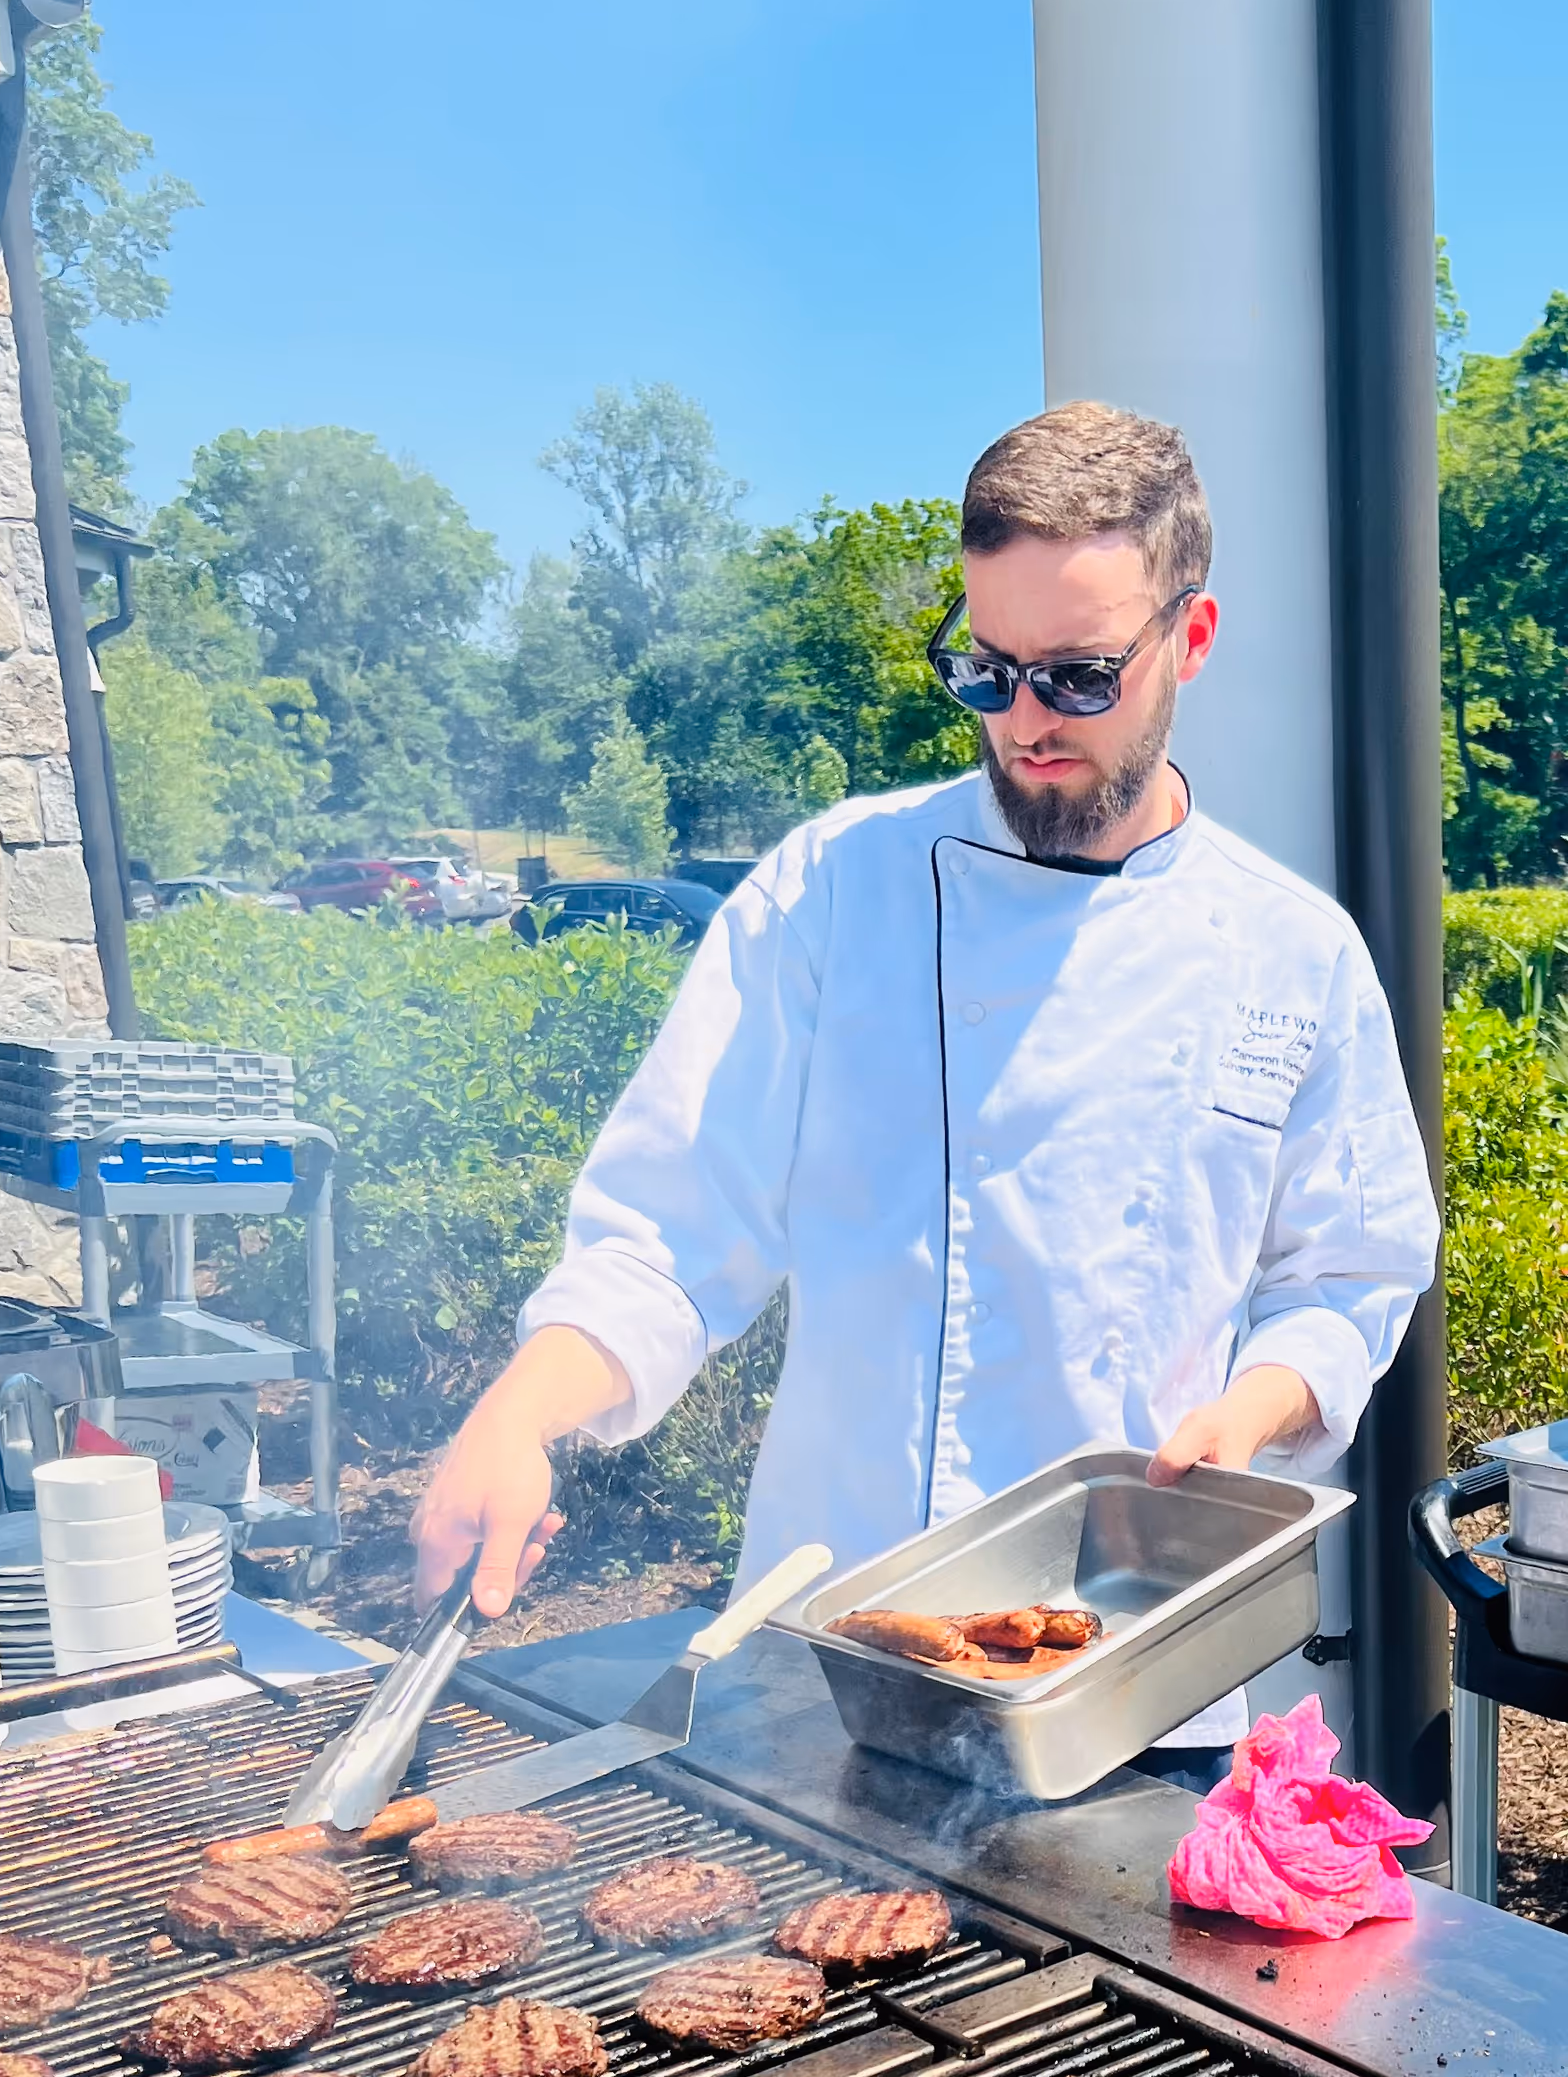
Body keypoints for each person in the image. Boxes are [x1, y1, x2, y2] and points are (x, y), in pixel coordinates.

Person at [413, 402, 1439, 1772]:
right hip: (827, 1664)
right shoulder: (836, 889)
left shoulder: (1291, 951)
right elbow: (669, 1234)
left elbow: (1351, 1274)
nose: (1023, 723)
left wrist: (1252, 1416)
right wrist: (518, 1410)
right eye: (986, 669)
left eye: (1078, 678)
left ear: (1188, 641)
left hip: (1126, 1683)